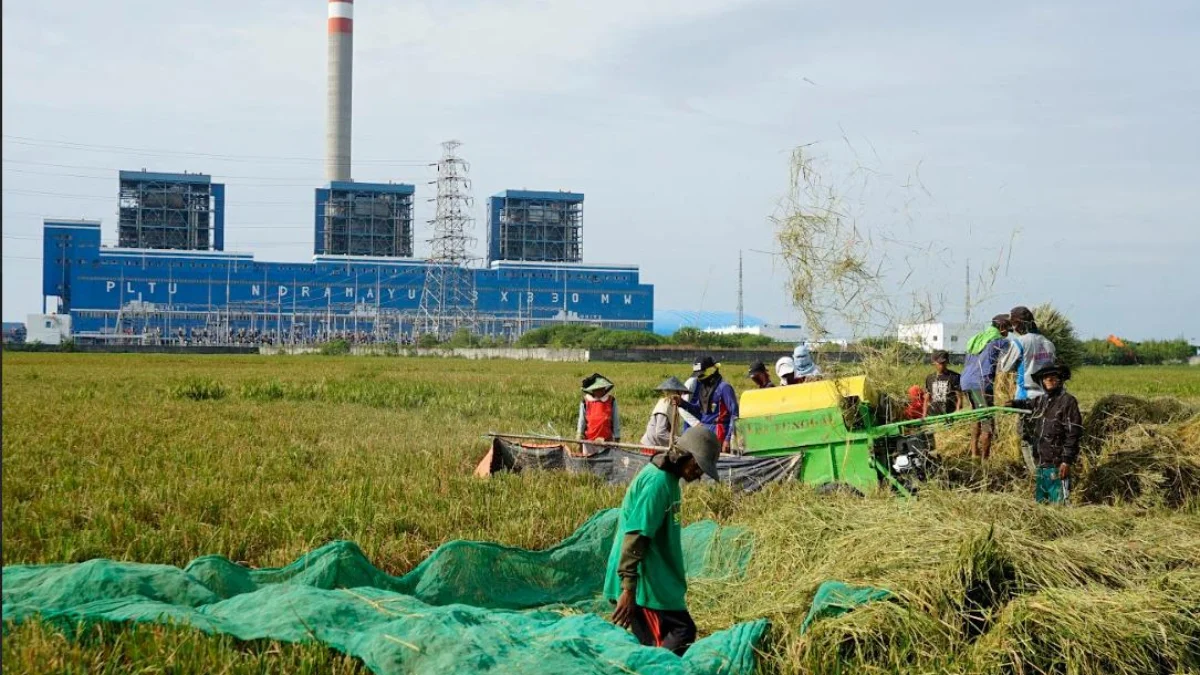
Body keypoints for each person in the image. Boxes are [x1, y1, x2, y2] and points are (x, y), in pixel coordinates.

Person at [606, 426, 721, 654]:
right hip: (643, 585)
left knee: (667, 641)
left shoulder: (670, 480)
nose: (698, 474)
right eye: (697, 466)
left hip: (657, 583)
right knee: (677, 635)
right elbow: (636, 537)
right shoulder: (657, 483)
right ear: (683, 455)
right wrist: (628, 589)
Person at [1005, 364, 1082, 504]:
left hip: (1057, 462)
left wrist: (1066, 461)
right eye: (1045, 377)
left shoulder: (1068, 401)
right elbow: (1027, 404)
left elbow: (1073, 432)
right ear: (1041, 382)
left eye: (1054, 377)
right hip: (1042, 461)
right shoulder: (1042, 400)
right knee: (1042, 503)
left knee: (1059, 502)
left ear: (1061, 380)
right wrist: (1014, 403)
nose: (1049, 379)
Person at [998, 306, 1057, 472]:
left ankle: (1037, 475)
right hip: (1047, 397)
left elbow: (1005, 366)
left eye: (1013, 325)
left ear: (1018, 324)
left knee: (1027, 438)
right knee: (1044, 437)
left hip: (1026, 398)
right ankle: (1047, 469)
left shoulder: (1021, 342)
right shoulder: (1048, 343)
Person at [961, 314, 1011, 459]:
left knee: (977, 416)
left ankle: (974, 454)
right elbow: (1009, 362)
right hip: (981, 383)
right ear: (1001, 327)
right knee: (988, 423)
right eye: (1007, 329)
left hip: (966, 382)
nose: (1008, 333)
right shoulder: (999, 341)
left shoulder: (976, 338)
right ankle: (985, 460)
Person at [681, 357, 739, 451]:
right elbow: (697, 409)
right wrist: (681, 403)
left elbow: (734, 414)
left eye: (701, 374)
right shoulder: (704, 390)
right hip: (705, 432)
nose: (699, 378)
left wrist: (728, 439)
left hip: (719, 432)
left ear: (711, 371)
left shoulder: (724, 388)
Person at [640, 377, 691, 448]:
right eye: (681, 393)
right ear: (676, 393)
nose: (682, 395)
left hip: (660, 444)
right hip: (652, 446)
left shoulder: (672, 405)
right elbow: (660, 433)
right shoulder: (664, 405)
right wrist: (680, 440)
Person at [577, 373, 620, 455]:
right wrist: (579, 434)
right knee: (588, 463)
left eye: (602, 388)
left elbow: (616, 420)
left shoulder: (611, 401)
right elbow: (581, 421)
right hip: (589, 440)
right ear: (593, 390)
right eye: (598, 389)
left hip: (607, 440)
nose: (601, 391)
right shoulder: (585, 401)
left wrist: (617, 437)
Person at [923, 350, 964, 417]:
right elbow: (927, 398)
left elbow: (959, 397)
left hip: (950, 415)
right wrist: (924, 415)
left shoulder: (955, 377)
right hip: (933, 415)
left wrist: (957, 413)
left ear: (947, 362)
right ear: (934, 362)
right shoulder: (930, 378)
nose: (942, 365)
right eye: (939, 363)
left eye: (944, 362)